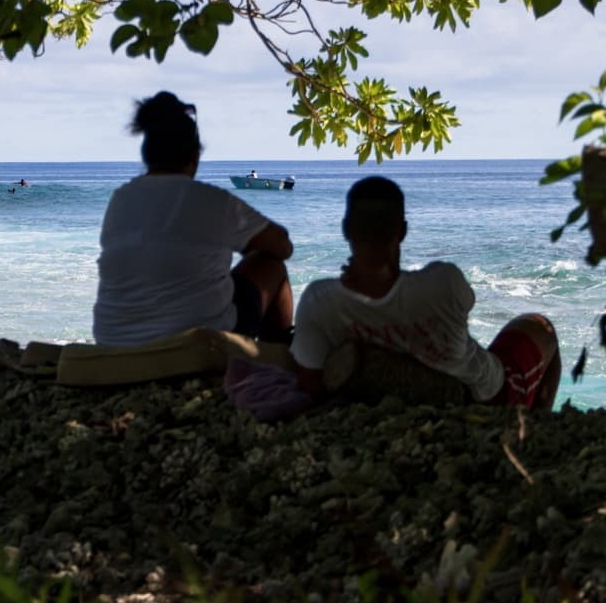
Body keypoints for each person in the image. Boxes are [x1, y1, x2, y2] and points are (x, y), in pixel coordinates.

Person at [291, 176, 560, 408]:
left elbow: (311, 386)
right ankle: (533, 431)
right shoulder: (444, 283)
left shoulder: (319, 301)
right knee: (541, 326)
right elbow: (466, 302)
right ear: (403, 231)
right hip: (486, 395)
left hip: (394, 400)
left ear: (346, 229)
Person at [93, 92, 294, 346]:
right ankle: (276, 360)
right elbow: (283, 246)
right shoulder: (213, 201)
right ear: (195, 156)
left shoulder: (120, 199)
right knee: (270, 263)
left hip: (113, 342)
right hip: (198, 342)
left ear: (146, 155)